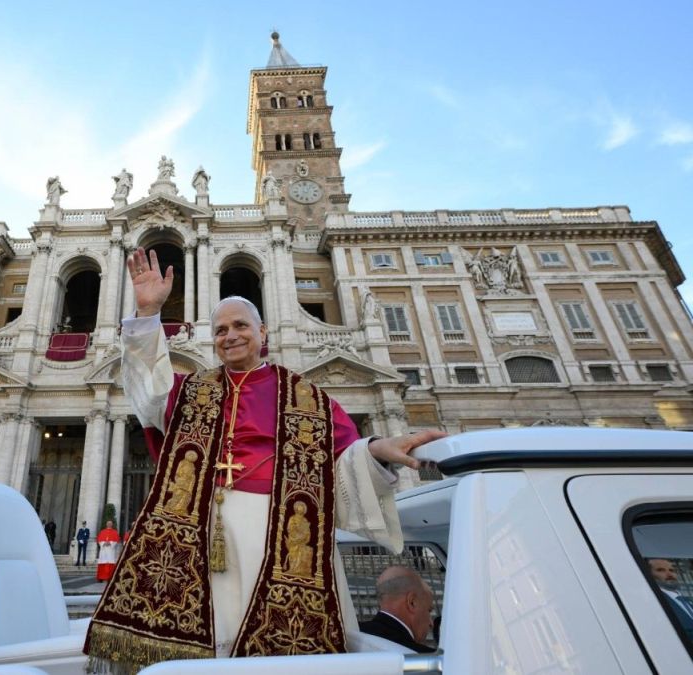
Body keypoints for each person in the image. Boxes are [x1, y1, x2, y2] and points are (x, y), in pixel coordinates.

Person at [84, 247, 446, 670]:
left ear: (263, 332)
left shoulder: (305, 397)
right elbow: (147, 388)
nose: (230, 335)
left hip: (279, 528)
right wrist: (148, 316)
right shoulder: (191, 390)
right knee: (208, 641)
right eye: (220, 330)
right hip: (200, 530)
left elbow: (342, 459)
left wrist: (378, 449)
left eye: (241, 326)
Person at [359, 566, 436, 653]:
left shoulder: (348, 636)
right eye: (428, 610)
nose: (431, 623)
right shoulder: (425, 659)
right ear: (412, 602)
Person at [647, 557, 693, 640]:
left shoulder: (687, 601)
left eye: (672, 570)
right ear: (650, 574)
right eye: (661, 570)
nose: (669, 574)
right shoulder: (653, 600)